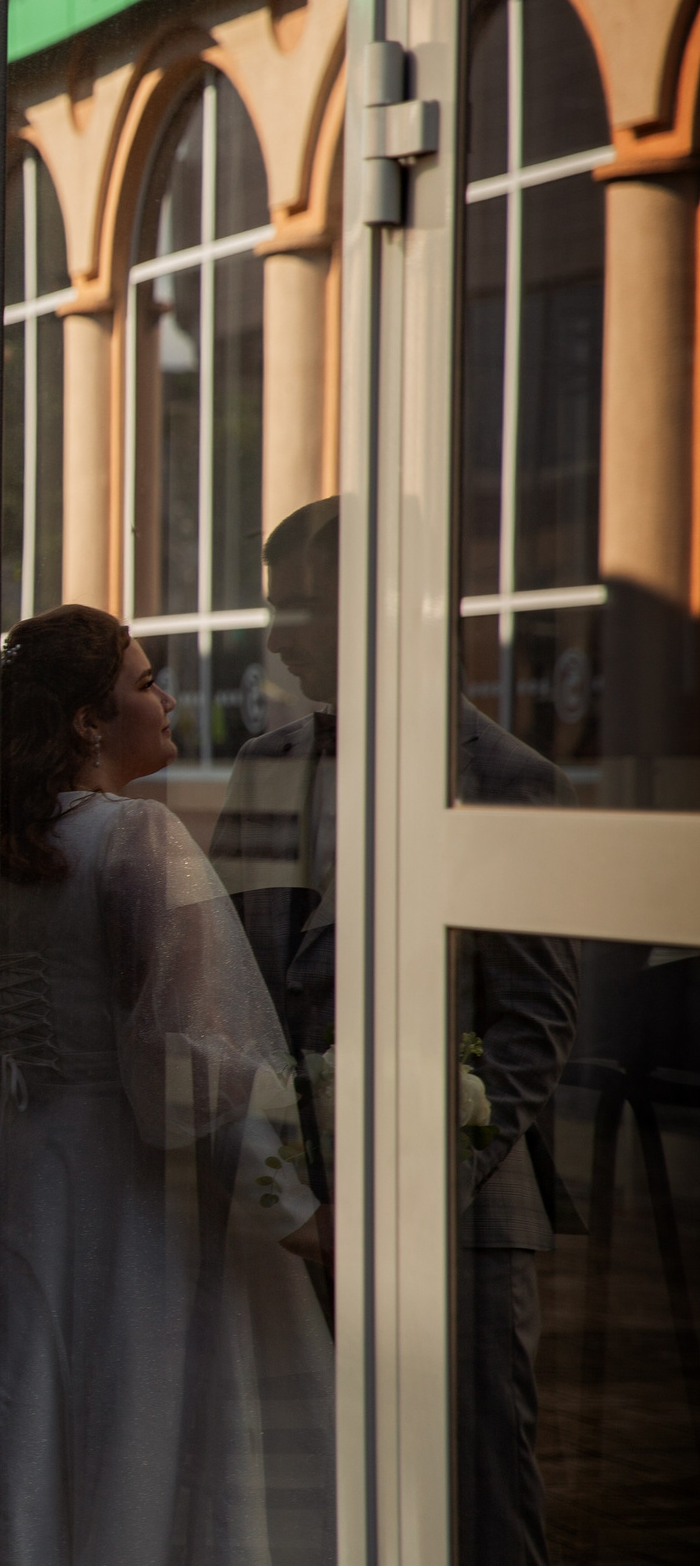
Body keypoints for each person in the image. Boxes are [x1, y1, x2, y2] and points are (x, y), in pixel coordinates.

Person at [0, 604, 335, 1566]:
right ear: (89, 720)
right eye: (144, 683)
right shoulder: (137, 838)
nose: (167, 699)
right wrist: (297, 1215)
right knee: (128, 1441)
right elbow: (188, 1073)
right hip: (123, 1196)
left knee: (13, 1430)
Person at [215, 498, 578, 1566]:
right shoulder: (264, 766)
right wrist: (278, 1179)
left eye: (297, 607)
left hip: (461, 1223)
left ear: (380, 609)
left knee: (475, 1502)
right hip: (289, 1219)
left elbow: (535, 1021)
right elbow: (235, 987)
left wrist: (429, 1180)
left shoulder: (507, 778)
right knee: (310, 1498)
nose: (274, 635)